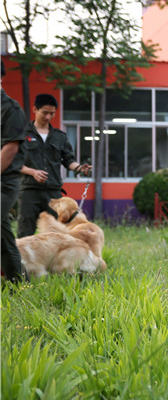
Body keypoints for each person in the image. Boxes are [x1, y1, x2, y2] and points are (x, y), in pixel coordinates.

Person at [17, 93, 91, 237]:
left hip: (53, 193)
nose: (48, 117)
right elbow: (12, 162)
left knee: (56, 234)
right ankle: (23, 260)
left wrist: (79, 168)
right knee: (25, 232)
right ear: (34, 110)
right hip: (29, 191)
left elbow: (68, 160)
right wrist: (32, 172)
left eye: (52, 114)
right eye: (44, 113)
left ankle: (51, 260)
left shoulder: (60, 136)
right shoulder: (21, 134)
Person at [1, 62, 28, 282]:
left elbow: (10, 149)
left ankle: (18, 282)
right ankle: (18, 281)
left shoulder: (11, 109)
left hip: (5, 180)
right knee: (2, 232)